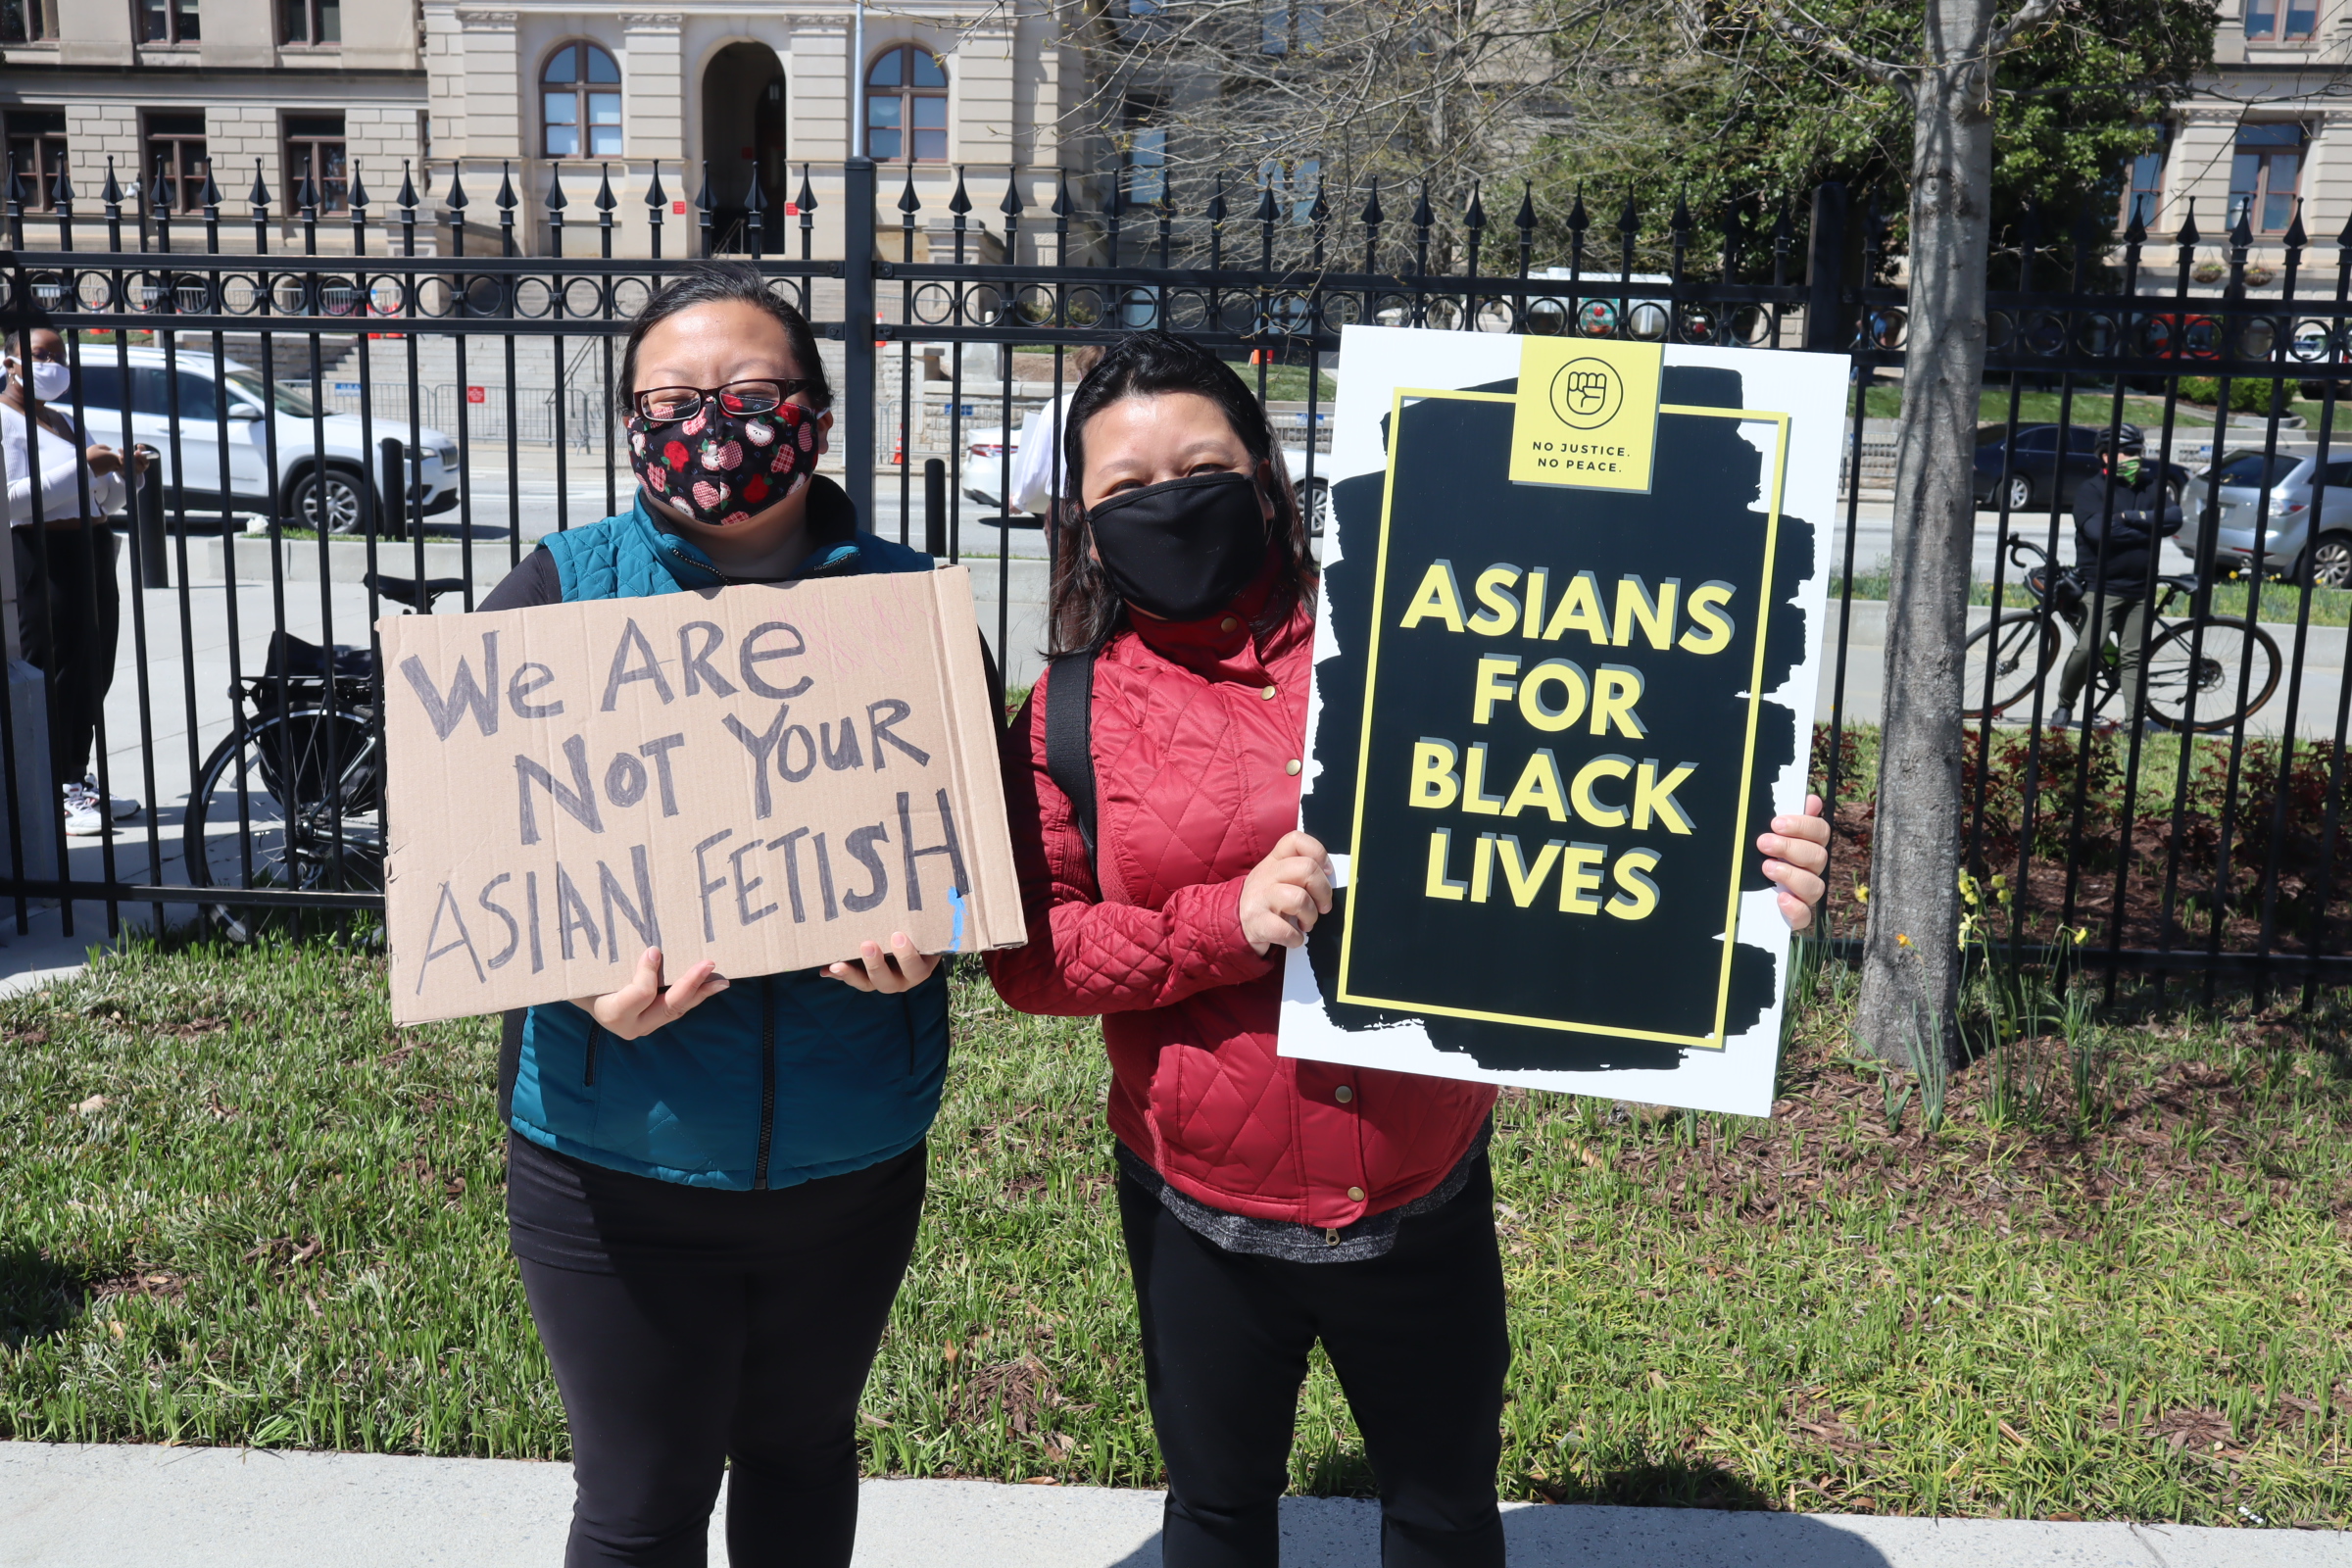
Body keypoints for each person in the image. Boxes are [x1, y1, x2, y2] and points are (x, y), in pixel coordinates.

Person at [985, 330, 1833, 1568]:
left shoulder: (1422, 623)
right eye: (1124, 488)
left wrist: (1749, 865)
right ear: (1084, 516)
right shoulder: (1067, 713)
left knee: (1441, 1516)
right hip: (1198, 1205)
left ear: (1267, 471)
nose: (1167, 501)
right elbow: (1033, 957)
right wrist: (1226, 922)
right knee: (1217, 1515)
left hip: (1418, 1186)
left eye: (1201, 465)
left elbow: (1608, 754)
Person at [472, 262, 967, 1568]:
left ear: (814, 414)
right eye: (675, 395)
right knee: (639, 1507)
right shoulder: (554, 594)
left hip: (850, 1152)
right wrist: (569, 971)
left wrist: (935, 932)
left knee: (805, 1458)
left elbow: (983, 850)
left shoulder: (916, 612)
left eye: (752, 391)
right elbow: (450, 852)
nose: (715, 420)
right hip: (608, 1155)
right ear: (630, 421)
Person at [2, 321, 147, 837]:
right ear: (11, 361)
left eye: (59, 353)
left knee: (93, 668)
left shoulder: (63, 421)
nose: (53, 363)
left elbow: (101, 500)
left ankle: (74, 777)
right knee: (58, 668)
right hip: (46, 554)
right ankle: (54, 791)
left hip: (92, 548)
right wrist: (86, 467)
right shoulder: (6, 421)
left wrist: (126, 474)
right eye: (41, 354)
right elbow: (13, 499)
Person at [2054, 426, 2182, 730]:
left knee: (2133, 656)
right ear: (2108, 456)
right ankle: (2065, 704)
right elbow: (2098, 532)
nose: (2134, 458)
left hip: (2141, 587)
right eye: (2128, 452)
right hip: (2102, 587)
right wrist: (2148, 526)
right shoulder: (2092, 490)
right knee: (2089, 648)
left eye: (2137, 452)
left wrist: (2127, 518)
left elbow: (2174, 519)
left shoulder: (2151, 487)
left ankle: (2133, 723)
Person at [1006, 346, 1104, 519]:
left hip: (1065, 502)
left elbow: (1039, 462)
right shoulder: (1125, 407)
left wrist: (1020, 501)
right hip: (1108, 502)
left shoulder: (1059, 406)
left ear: (1080, 373)